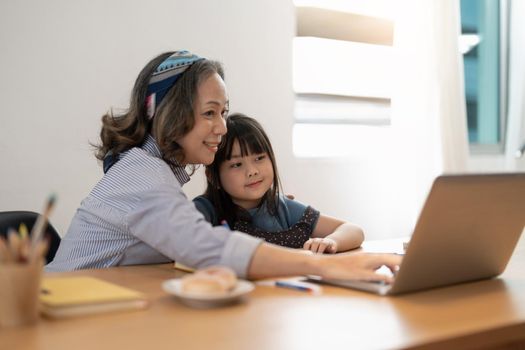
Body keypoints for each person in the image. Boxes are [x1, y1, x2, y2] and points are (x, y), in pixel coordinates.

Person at [46, 50, 401, 283]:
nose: (223, 127)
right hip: (57, 315)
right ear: (171, 114)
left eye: (224, 112)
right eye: (210, 113)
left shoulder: (151, 170)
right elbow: (206, 245)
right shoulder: (143, 176)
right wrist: (326, 266)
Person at [194, 113, 364, 254]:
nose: (252, 171)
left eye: (259, 158)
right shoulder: (206, 209)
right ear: (213, 176)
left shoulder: (281, 207)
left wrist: (330, 241)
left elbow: (353, 230)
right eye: (237, 164)